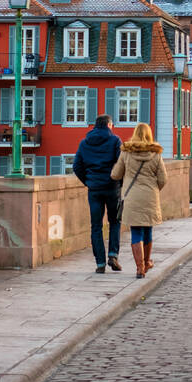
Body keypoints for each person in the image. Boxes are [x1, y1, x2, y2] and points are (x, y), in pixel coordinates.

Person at [111, 123, 168, 279]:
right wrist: (154, 190)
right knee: (148, 230)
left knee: (136, 231)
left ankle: (139, 268)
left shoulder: (126, 152)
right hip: (150, 196)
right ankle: (147, 261)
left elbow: (116, 174)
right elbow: (163, 179)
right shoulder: (156, 154)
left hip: (131, 197)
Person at [73, 114, 123, 274]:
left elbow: (76, 166)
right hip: (112, 187)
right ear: (109, 125)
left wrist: (88, 181)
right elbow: (121, 164)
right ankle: (113, 254)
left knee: (96, 226)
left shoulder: (84, 142)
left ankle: (100, 262)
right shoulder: (115, 141)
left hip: (94, 189)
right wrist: (119, 182)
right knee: (115, 221)